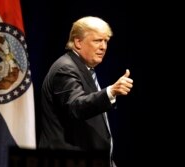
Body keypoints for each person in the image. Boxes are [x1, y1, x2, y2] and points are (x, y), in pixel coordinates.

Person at [38, 16, 133, 167]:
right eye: (97, 41)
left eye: (106, 41)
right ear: (78, 42)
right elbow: (76, 106)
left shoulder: (84, 69)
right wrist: (111, 92)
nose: (103, 47)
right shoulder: (66, 68)